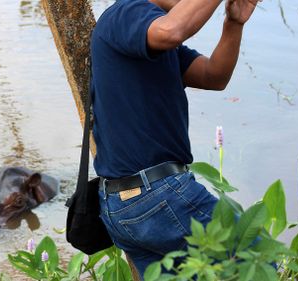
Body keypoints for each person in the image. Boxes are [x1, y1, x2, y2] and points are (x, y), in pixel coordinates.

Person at [90, 0, 259, 278]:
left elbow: (213, 76)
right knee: (256, 256)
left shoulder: (151, 39)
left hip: (128, 203)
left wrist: (234, 23)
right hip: (155, 196)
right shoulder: (128, 12)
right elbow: (172, 30)